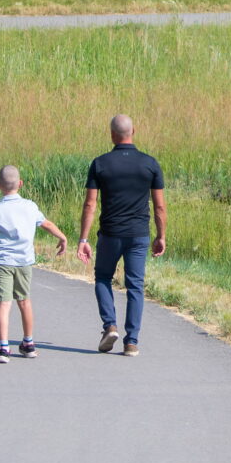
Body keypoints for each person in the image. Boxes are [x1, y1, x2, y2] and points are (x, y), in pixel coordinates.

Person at [76, 113, 165, 355]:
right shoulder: (150, 164)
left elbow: (90, 204)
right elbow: (159, 206)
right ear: (133, 131)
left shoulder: (101, 163)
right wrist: (161, 236)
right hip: (139, 234)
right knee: (135, 285)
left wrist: (83, 239)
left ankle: (110, 325)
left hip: (111, 233)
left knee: (103, 277)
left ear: (112, 134)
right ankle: (132, 341)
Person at [0, 164, 70, 361]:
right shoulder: (30, 206)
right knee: (24, 301)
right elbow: (46, 223)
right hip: (24, 262)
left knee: (4, 304)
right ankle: (28, 343)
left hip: (4, 261)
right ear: (20, 184)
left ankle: (4, 348)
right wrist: (62, 237)